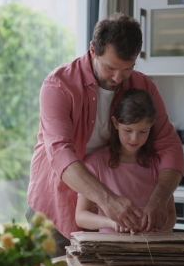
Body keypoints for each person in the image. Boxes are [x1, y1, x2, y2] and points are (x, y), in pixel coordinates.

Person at [26, 13, 184, 255]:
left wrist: (159, 199)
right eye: (110, 67)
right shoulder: (58, 85)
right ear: (92, 50)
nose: (118, 78)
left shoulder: (144, 86)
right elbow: (60, 154)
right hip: (54, 208)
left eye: (127, 69)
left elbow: (169, 146)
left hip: (105, 217)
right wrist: (108, 201)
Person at [75, 89, 177, 233]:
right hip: (110, 251)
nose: (134, 139)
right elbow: (81, 216)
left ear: (152, 125)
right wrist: (111, 222)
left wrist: (158, 231)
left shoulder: (159, 164)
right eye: (128, 130)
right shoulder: (95, 163)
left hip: (150, 250)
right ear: (115, 123)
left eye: (143, 131)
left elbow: (171, 214)